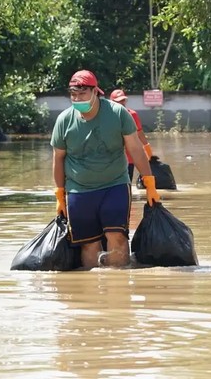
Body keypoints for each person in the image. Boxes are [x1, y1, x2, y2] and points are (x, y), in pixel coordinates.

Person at [51, 70, 161, 269]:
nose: (77, 99)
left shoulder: (119, 114)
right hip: (79, 190)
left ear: (95, 92)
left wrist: (150, 183)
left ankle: (119, 289)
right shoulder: (64, 121)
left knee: (117, 237)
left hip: (115, 185)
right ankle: (94, 294)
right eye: (73, 95)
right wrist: (60, 194)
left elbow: (135, 149)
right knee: (89, 244)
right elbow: (58, 159)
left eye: (82, 94)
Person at [109, 89, 154, 181]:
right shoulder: (106, 117)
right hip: (111, 159)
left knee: (126, 183)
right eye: (118, 101)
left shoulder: (132, 114)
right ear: (111, 102)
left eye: (123, 100)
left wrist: (147, 148)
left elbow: (139, 133)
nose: (121, 103)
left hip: (129, 158)